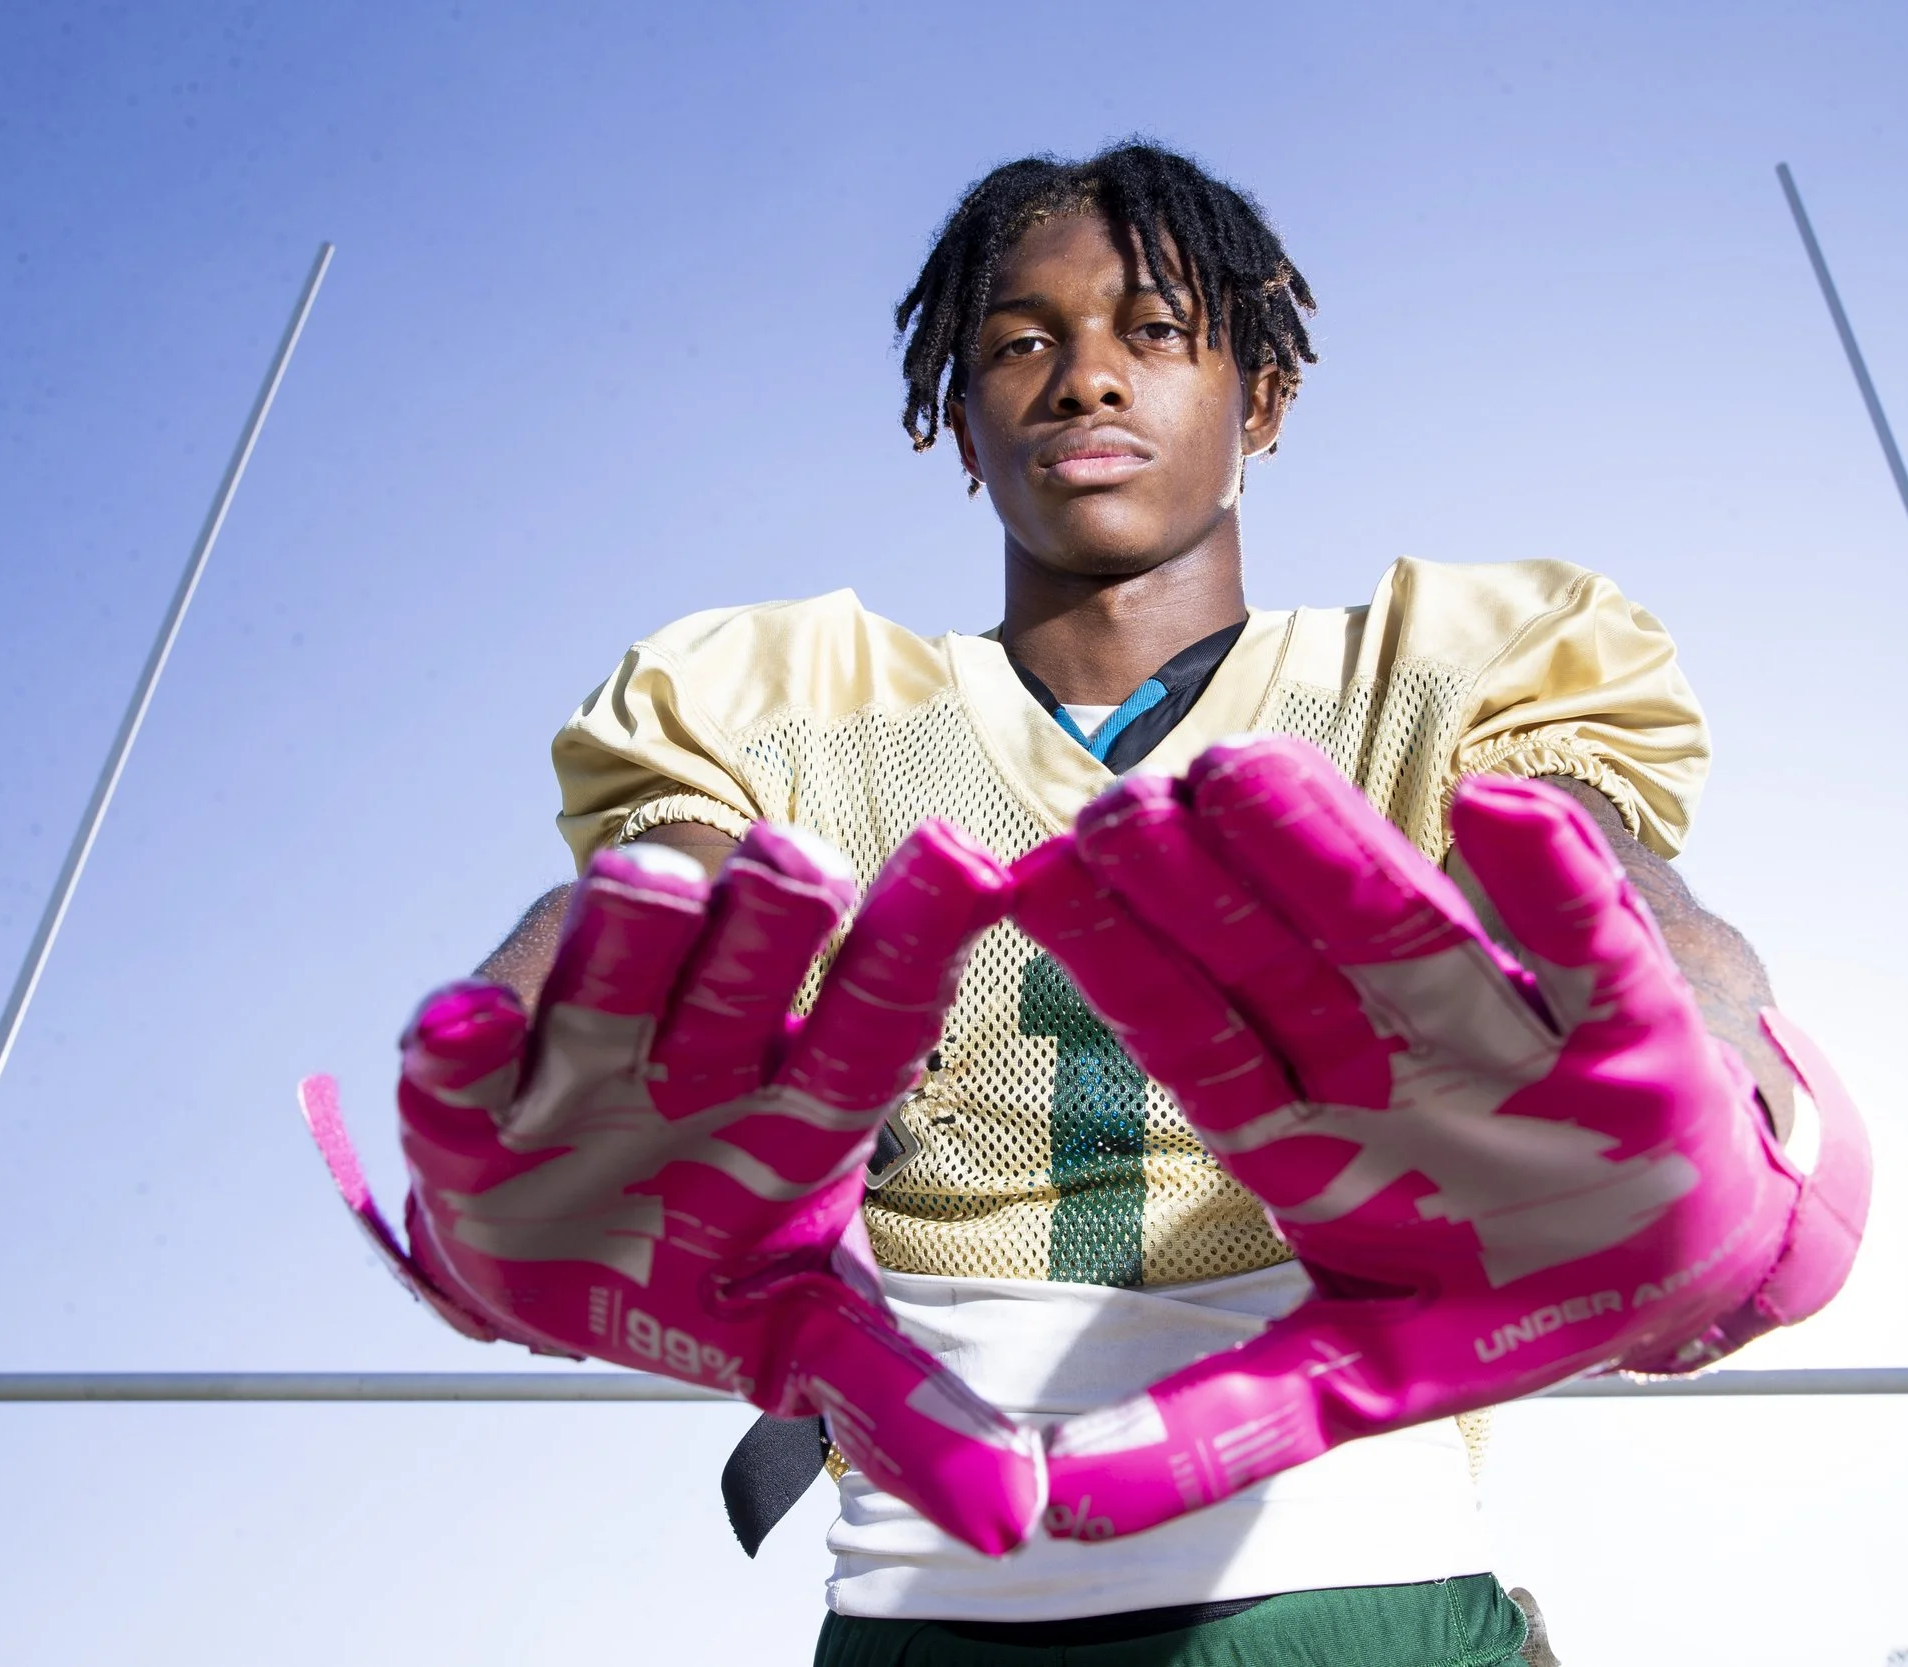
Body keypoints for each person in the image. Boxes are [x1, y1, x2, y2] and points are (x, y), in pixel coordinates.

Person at [466, 141, 1804, 1667]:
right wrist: (525, 1046)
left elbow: (1591, 883)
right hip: (930, 1599)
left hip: (1353, 1578)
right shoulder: (794, 710)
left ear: (1263, 398)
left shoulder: (1436, 671)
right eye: (1018, 343)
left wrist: (1713, 1052)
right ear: (958, 425)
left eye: (1154, 330)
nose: (1086, 378)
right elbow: (648, 901)